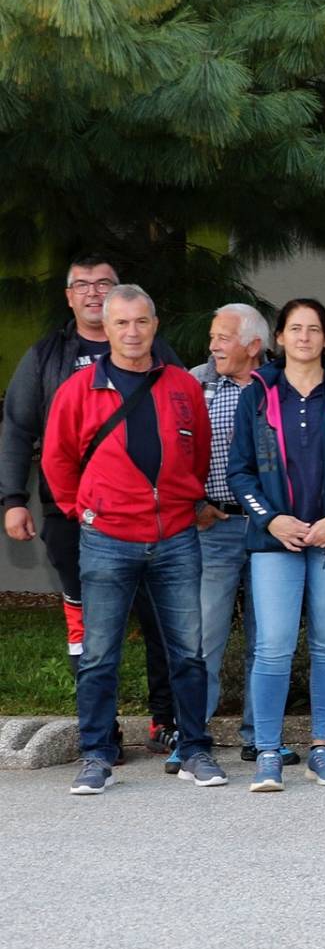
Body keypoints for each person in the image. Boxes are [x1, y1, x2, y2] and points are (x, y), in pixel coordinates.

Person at [1, 254, 181, 762]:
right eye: (82, 285)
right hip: (70, 512)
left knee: (159, 617)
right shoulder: (47, 355)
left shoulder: (156, 351)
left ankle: (165, 720)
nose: (94, 292)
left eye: (104, 283)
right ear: (69, 297)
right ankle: (100, 729)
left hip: (147, 516)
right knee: (87, 624)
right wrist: (13, 499)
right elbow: (17, 426)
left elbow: (185, 420)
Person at [43, 285, 222, 794]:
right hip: (107, 539)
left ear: (155, 325)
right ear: (106, 328)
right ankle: (96, 755)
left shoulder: (182, 386)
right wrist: (84, 510)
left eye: (141, 321)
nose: (132, 332)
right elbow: (56, 460)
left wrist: (181, 501)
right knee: (100, 655)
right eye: (121, 323)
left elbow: (199, 454)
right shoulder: (78, 390)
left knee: (187, 653)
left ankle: (195, 749)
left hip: (175, 538)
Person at [227, 299, 325, 791]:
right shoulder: (257, 394)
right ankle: (268, 753)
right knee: (273, 647)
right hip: (276, 540)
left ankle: (322, 749)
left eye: (314, 329)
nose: (304, 337)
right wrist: (271, 520)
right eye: (295, 328)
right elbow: (239, 472)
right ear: (279, 337)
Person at [192, 302, 287, 772]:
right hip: (217, 526)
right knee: (205, 637)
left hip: (270, 529)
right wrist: (193, 503)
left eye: (223, 337)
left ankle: (258, 735)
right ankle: (194, 736)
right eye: (213, 336)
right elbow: (174, 447)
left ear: (253, 345)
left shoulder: (280, 386)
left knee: (265, 638)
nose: (213, 346)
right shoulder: (196, 383)